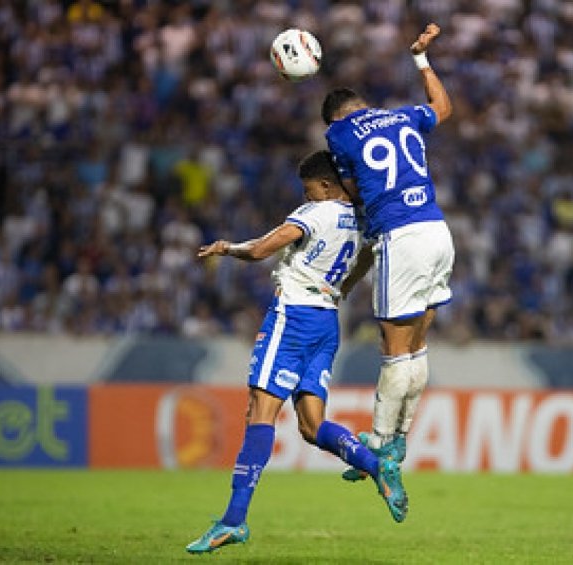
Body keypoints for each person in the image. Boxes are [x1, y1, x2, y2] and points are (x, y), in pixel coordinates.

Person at [185, 151, 408, 555]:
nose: (307, 195)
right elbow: (360, 266)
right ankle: (378, 466)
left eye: (309, 189)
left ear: (325, 186)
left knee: (259, 412)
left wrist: (228, 248)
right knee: (311, 425)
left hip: (292, 318)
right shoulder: (361, 220)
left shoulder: (316, 212)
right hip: (327, 321)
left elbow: (261, 250)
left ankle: (233, 521)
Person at [321, 23, 453, 470]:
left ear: (337, 117)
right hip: (438, 231)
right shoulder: (405, 115)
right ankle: (398, 438)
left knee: (393, 346)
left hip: (402, 235)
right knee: (417, 345)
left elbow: (353, 189)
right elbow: (444, 107)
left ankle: (378, 443)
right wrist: (421, 59)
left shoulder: (339, 134)